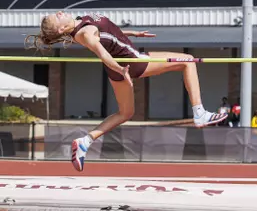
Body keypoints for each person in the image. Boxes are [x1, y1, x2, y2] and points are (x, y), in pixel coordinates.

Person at [25, 11, 228, 172]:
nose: (61, 12)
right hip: (132, 63)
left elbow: (108, 34)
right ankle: (199, 112)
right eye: (57, 16)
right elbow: (103, 53)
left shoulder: (80, 23)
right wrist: (121, 69)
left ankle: (84, 141)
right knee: (188, 62)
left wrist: (130, 34)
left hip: (123, 65)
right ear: (61, 28)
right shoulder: (85, 33)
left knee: (126, 113)